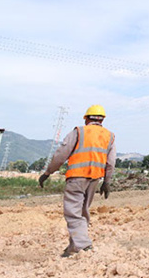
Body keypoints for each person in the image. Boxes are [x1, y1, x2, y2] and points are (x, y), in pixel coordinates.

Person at [39, 104, 116, 257]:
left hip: (77, 177)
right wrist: (106, 182)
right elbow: (111, 162)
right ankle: (74, 248)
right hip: (94, 179)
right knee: (83, 211)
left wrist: (48, 172)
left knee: (73, 212)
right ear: (102, 120)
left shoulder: (79, 132)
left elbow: (61, 153)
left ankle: (83, 245)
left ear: (86, 118)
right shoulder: (110, 136)